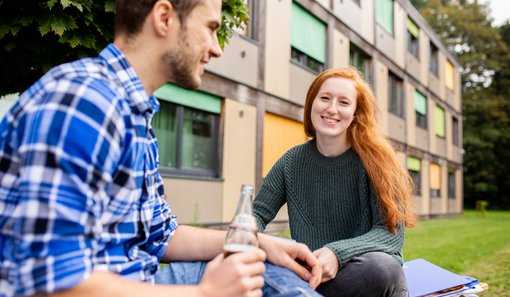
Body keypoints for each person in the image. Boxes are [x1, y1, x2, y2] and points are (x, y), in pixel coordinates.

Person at [0, 0, 322, 296]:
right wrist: (204, 293)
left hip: (139, 280)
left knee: (258, 264)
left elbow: (161, 235)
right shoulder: (86, 102)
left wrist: (261, 243)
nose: (216, 49)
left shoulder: (135, 110)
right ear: (164, 17)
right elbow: (51, 282)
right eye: (210, 28)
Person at [253, 67, 417, 297]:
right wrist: (253, 239)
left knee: (383, 267)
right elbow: (257, 213)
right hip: (313, 275)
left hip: (367, 275)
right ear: (312, 103)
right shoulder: (292, 162)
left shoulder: (379, 161)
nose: (331, 109)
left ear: (355, 113)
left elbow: (391, 234)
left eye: (343, 102)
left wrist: (337, 253)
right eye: (325, 98)